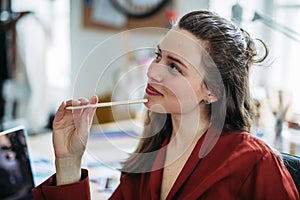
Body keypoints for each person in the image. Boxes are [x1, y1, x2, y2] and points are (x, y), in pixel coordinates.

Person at [32, 10, 299, 200]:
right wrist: (69, 161)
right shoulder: (151, 156)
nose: (153, 72)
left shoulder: (255, 162)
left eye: (174, 67)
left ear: (212, 91)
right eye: (159, 56)